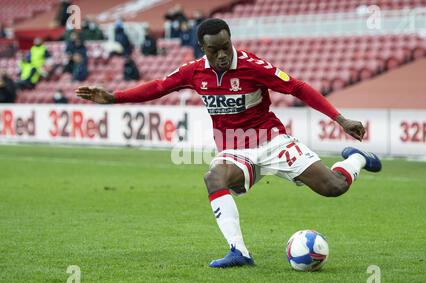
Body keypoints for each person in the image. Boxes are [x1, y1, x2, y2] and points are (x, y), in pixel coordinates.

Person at [75, 18, 382, 268]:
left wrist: (340, 119)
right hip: (235, 148)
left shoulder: (253, 66)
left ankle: (354, 159)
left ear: (231, 40)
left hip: (272, 141)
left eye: (226, 47)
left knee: (333, 188)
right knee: (213, 177)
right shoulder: (194, 71)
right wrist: (115, 97)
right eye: (214, 50)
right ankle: (239, 252)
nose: (222, 55)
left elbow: (298, 88)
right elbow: (158, 87)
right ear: (202, 48)